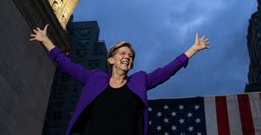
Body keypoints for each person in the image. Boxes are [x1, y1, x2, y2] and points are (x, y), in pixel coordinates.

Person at [30, 24, 210, 135]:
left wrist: (192, 50)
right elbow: (67, 64)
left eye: (131, 56)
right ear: (111, 60)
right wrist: (46, 41)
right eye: (122, 53)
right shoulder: (95, 78)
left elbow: (166, 71)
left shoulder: (139, 81)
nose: (127, 57)